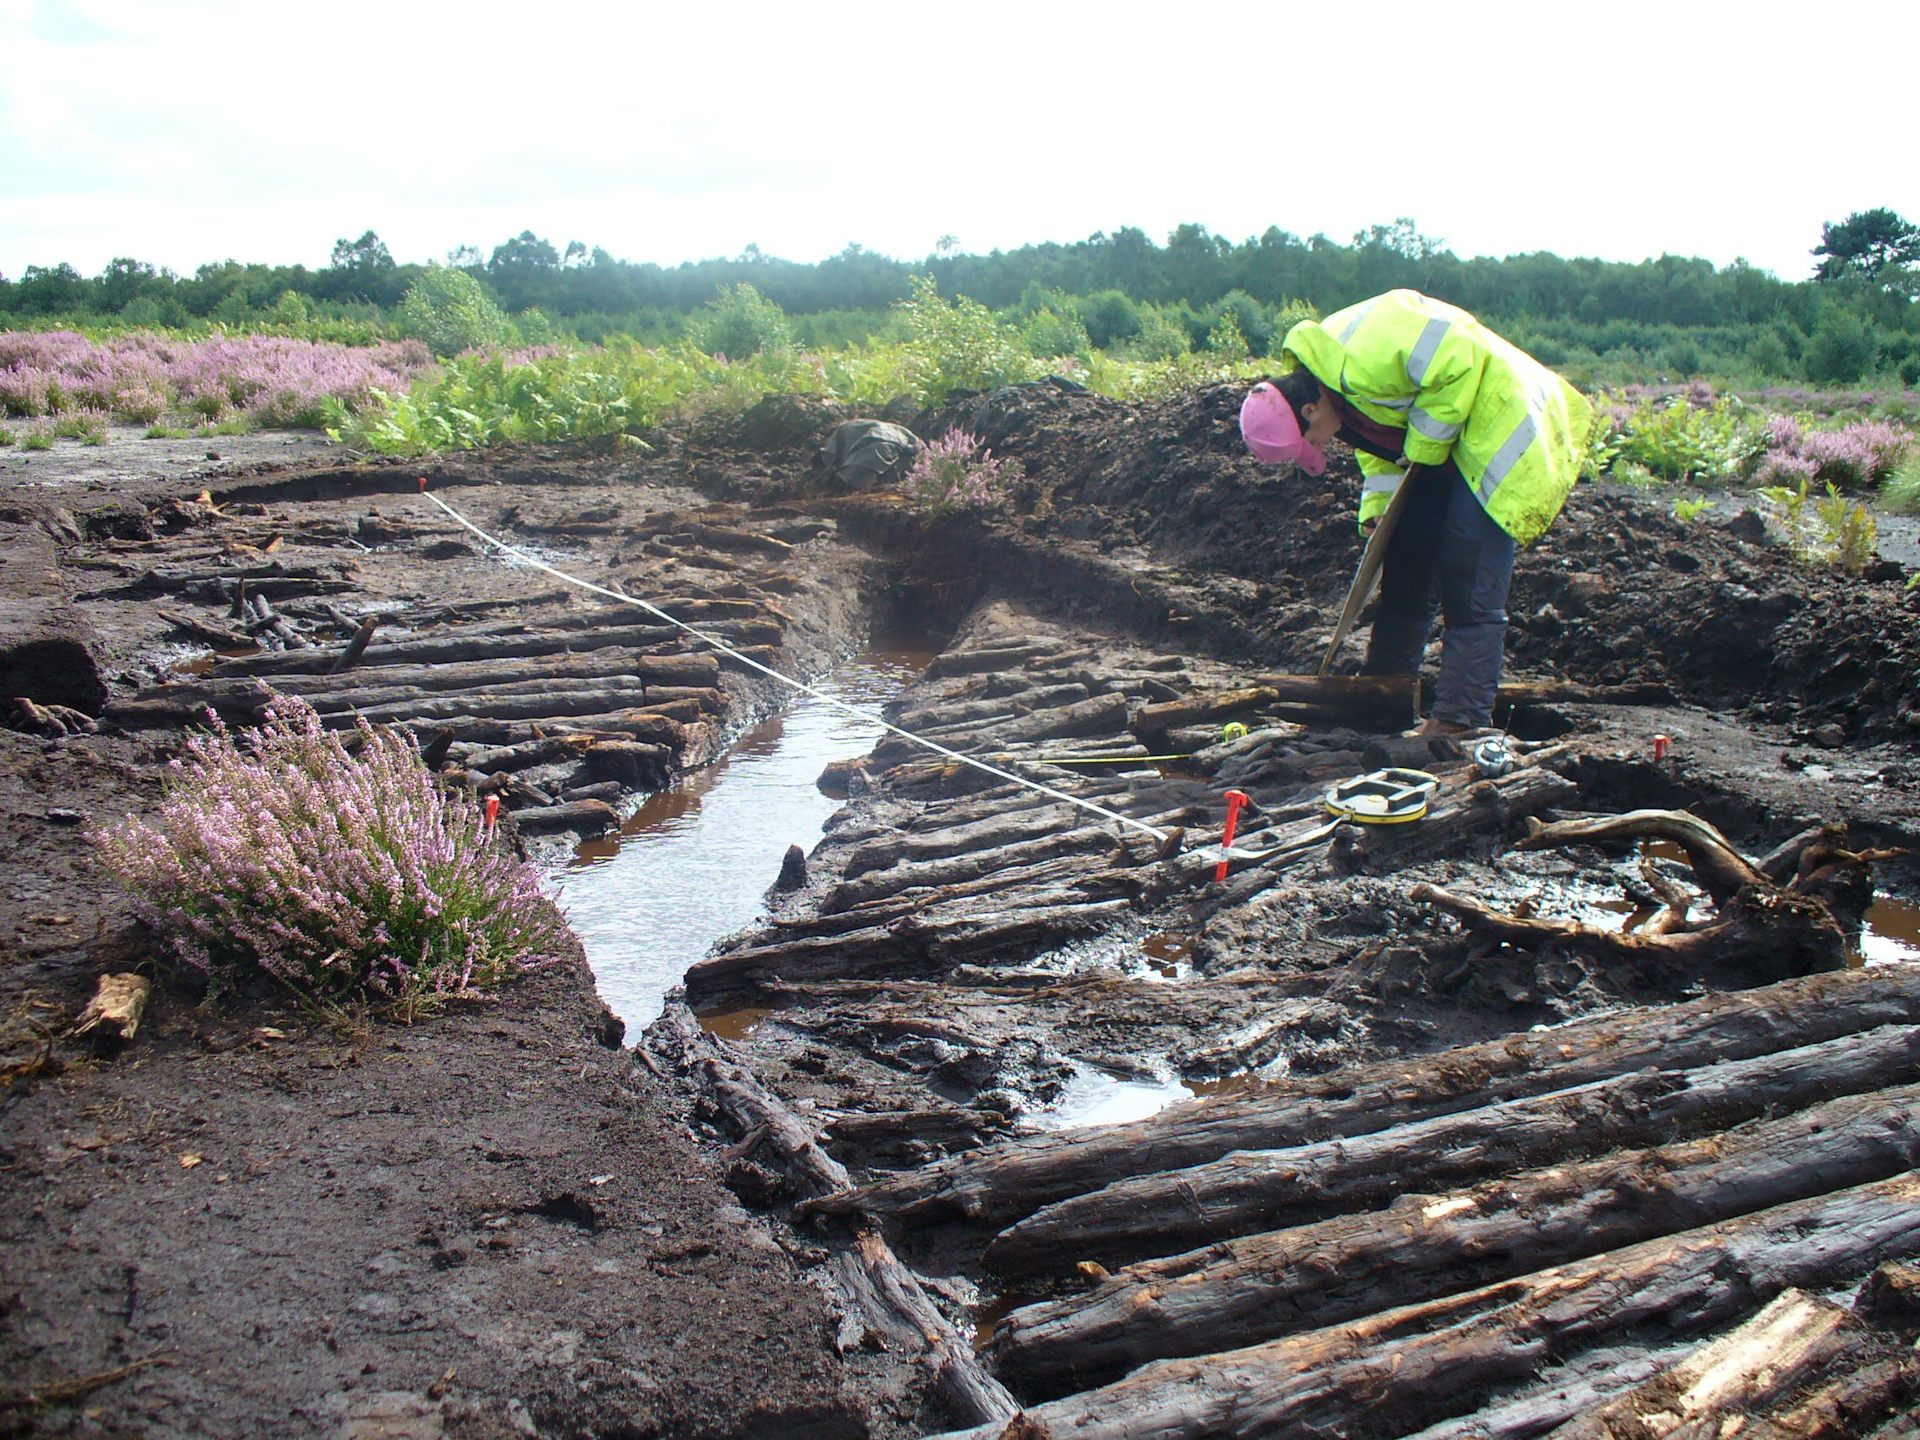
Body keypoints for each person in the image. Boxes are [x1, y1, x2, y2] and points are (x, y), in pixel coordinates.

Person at [1239, 288, 1592, 735]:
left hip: (1504, 422)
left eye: (1309, 441)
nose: (1319, 446)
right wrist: (1380, 508)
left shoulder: (1360, 363)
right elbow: (1383, 445)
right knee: (1405, 559)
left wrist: (1423, 451)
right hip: (1450, 441)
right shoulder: (1336, 388)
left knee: (1469, 572)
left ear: (1309, 410)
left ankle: (1460, 720)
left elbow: (1459, 355)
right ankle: (1385, 697)